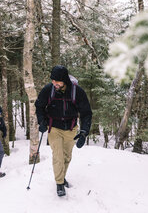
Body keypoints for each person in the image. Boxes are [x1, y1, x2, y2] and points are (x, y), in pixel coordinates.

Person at [35, 65, 92, 197]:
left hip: (71, 128)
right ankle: (59, 183)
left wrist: (84, 132)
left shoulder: (76, 92)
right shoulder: (49, 90)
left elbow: (86, 113)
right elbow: (39, 105)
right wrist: (42, 121)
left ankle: (62, 176)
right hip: (54, 127)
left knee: (67, 156)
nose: (54, 83)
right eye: (53, 81)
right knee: (58, 156)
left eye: (57, 81)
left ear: (64, 81)